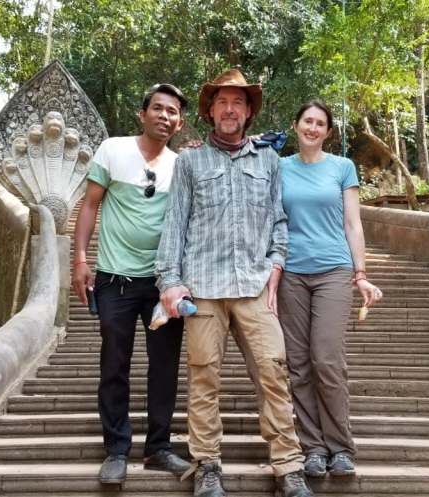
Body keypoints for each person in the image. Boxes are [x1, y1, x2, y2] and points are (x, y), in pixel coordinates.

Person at [156, 69, 314, 497]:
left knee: (273, 371)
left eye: (238, 103)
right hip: (203, 289)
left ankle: (288, 467)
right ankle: (207, 464)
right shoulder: (189, 162)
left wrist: (275, 267)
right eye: (222, 102)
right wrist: (170, 281)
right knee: (204, 378)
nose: (230, 109)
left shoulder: (268, 161)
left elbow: (279, 222)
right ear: (210, 111)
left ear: (248, 112)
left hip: (254, 287)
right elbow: (175, 225)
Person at [71, 83, 192, 484]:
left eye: (172, 112)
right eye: (158, 108)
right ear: (143, 114)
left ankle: (158, 448)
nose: (165, 116)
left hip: (162, 284)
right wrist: (81, 259)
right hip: (115, 280)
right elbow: (90, 205)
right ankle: (116, 450)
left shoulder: (181, 165)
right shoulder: (113, 150)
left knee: (165, 366)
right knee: (114, 363)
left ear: (180, 123)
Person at [277, 100, 382, 478]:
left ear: (328, 131)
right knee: (298, 364)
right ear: (296, 125)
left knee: (326, 359)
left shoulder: (342, 167)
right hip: (291, 272)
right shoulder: (279, 167)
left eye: (320, 123)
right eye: (307, 121)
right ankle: (314, 448)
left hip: (333, 271)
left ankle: (340, 447)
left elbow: (353, 224)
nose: (313, 128)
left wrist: (361, 273)